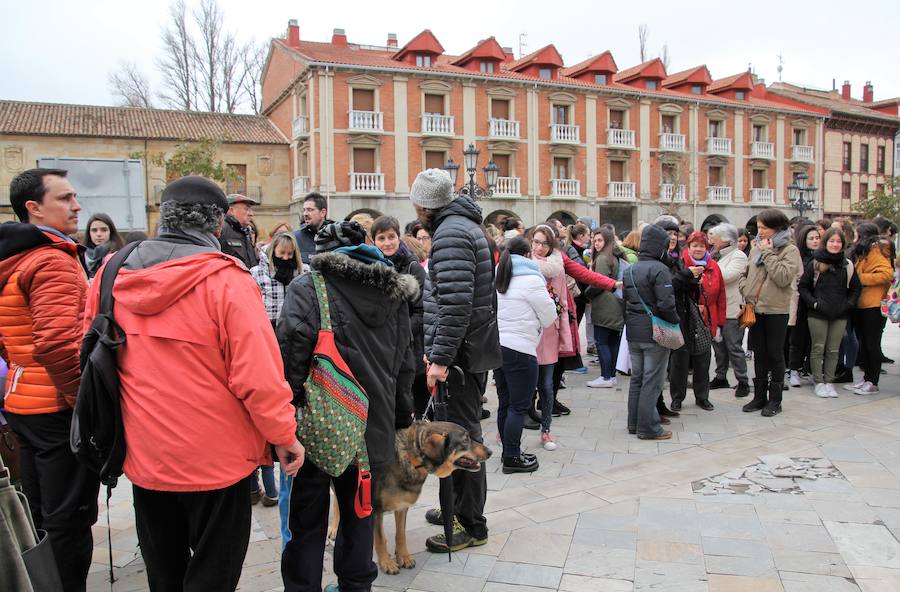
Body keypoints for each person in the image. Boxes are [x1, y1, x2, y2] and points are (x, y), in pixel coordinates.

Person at [82, 176, 305, 591]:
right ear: (217, 224)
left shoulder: (109, 275)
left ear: (164, 217)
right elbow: (258, 375)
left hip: (146, 454)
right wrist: (283, 434)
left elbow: (90, 353)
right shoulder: (228, 281)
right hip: (217, 460)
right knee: (214, 573)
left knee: (163, 571)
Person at [277, 220, 416, 592]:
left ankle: (303, 587)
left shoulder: (308, 287)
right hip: (375, 423)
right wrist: (400, 419)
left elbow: (290, 354)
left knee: (306, 520)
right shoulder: (395, 293)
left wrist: (284, 417)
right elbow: (406, 363)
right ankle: (357, 586)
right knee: (359, 514)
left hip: (318, 426)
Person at [0, 168, 98, 591]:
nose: (77, 206)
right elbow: (57, 343)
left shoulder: (13, 257)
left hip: (22, 400)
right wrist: (82, 401)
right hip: (55, 408)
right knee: (68, 521)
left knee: (42, 516)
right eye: (66, 198)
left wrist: (20, 368)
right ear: (33, 208)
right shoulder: (50, 259)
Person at [408, 169, 500, 553]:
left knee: (462, 439)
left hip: (460, 357)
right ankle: (456, 505)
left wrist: (441, 359)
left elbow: (455, 305)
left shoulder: (450, 234)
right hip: (470, 350)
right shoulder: (463, 226)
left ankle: (468, 523)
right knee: (458, 434)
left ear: (425, 204)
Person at [249, 232, 307, 507]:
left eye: (288, 255)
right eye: (279, 255)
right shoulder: (256, 274)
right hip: (267, 336)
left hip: (295, 339)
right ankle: (262, 476)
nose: (284, 259)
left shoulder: (303, 273)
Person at [494, 236, 556, 473]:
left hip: (498, 346)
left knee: (505, 403)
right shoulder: (531, 279)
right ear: (528, 254)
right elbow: (549, 316)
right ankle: (512, 456)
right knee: (518, 407)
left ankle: (507, 452)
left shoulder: (499, 276)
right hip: (521, 348)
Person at [740, 208, 801, 416]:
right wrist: (744, 288)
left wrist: (767, 252)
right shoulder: (756, 247)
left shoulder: (789, 250)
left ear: (776, 228)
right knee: (759, 353)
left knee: (775, 354)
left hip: (776, 310)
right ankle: (759, 397)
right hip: (755, 308)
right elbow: (746, 272)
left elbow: (783, 277)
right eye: (759, 227)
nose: (760, 232)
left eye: (764, 228)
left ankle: (775, 400)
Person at [622, 223, 679, 440]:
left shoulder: (630, 269)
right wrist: (675, 322)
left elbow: (626, 301)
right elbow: (666, 304)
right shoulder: (659, 269)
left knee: (637, 378)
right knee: (652, 381)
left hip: (634, 331)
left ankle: (634, 423)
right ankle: (649, 428)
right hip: (655, 332)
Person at [371, 216, 428, 418]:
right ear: (374, 241)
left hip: (411, 349)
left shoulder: (413, 268)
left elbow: (423, 311)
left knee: (413, 410)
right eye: (381, 238)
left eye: (391, 237)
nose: (387, 243)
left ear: (398, 238)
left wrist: (398, 330)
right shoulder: (372, 269)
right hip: (383, 353)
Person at [799, 227, 861, 397]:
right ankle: (818, 381)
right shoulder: (815, 263)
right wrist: (814, 303)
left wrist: (848, 304)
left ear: (843, 244)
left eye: (838, 241)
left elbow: (856, 288)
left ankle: (829, 381)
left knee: (833, 350)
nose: (835, 244)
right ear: (825, 242)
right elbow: (803, 286)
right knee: (818, 348)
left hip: (840, 313)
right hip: (818, 313)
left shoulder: (847, 265)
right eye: (832, 241)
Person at [670, 231, 724, 411]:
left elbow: (721, 295)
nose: (698, 249)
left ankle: (702, 397)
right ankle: (677, 397)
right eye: (695, 245)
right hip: (685, 317)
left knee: (703, 358)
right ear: (689, 247)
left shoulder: (713, 266)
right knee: (680, 359)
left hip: (706, 318)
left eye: (702, 246)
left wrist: (720, 322)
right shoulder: (681, 264)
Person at [846, 222, 893, 395]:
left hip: (873, 305)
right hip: (863, 304)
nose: (855, 239)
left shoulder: (876, 252)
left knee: (871, 344)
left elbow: (887, 274)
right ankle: (867, 379)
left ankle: (872, 381)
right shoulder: (863, 253)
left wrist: (860, 278)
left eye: (857, 235)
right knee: (865, 344)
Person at [708, 223, 750, 398]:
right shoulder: (714, 255)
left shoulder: (738, 256)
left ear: (725, 240)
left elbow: (725, 277)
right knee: (718, 346)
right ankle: (720, 376)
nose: (712, 240)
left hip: (733, 309)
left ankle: (743, 381)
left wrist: (708, 266)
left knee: (733, 346)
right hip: (717, 309)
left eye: (715, 237)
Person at [586, 227, 626, 388]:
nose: (596, 243)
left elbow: (598, 282)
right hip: (616, 303)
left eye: (600, 240)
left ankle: (606, 376)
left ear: (608, 240)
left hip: (605, 304)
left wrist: (586, 294)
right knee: (612, 342)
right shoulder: (614, 256)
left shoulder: (603, 258)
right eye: (594, 240)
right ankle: (611, 375)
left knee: (602, 341)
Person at [787, 224, 819, 387]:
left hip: (816, 304)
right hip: (800, 302)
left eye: (817, 238)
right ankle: (794, 370)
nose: (815, 241)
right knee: (797, 338)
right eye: (811, 238)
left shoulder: (822, 257)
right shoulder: (799, 257)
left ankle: (810, 369)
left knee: (813, 340)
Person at [220, 193, 260, 268]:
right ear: (231, 210)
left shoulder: (246, 233)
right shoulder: (221, 230)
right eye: (246, 209)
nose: (251, 214)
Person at [294, 193, 334, 265]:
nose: (305, 214)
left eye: (310, 210)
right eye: (304, 210)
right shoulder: (295, 238)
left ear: (322, 212)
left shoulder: (336, 237)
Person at [84, 212, 125, 278]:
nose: (99, 234)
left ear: (110, 232)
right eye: (94, 230)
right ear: (89, 233)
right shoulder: (82, 255)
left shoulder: (119, 254)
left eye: (104, 230)